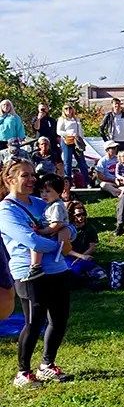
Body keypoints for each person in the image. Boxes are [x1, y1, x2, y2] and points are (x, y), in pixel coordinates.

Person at [0, 158, 72, 387]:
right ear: (9, 180)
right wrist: (61, 244)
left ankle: (47, 365)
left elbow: (68, 225)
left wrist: (68, 233)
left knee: (59, 319)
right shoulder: (5, 210)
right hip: (30, 273)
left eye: (33, 175)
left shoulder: (42, 203)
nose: (32, 179)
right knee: (34, 322)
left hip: (58, 269)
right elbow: (30, 240)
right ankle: (23, 372)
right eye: (25, 175)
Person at [27, 173, 73, 281]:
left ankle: (36, 266)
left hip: (53, 234)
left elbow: (57, 224)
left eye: (48, 191)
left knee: (36, 244)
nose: (44, 195)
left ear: (59, 192)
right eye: (42, 191)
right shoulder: (50, 205)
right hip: (53, 233)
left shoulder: (56, 206)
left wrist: (42, 231)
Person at [64, 202, 107, 287]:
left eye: (83, 214)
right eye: (78, 215)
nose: (81, 217)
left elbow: (92, 247)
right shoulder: (68, 229)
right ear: (72, 216)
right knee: (71, 269)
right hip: (70, 255)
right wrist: (79, 256)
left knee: (82, 266)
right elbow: (65, 249)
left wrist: (82, 256)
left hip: (84, 255)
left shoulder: (90, 228)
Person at [56, 103, 88, 182]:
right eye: (66, 109)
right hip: (67, 141)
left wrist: (81, 138)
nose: (68, 110)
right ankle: (68, 181)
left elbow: (80, 130)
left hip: (76, 141)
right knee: (68, 161)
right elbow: (59, 131)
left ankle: (87, 181)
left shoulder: (76, 119)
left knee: (82, 161)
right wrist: (68, 134)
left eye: (70, 108)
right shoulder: (62, 119)